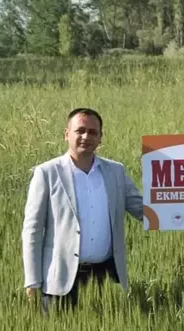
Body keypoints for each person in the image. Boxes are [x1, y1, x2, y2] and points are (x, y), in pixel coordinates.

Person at [21, 108, 143, 312]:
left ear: (100, 138)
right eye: (80, 130)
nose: (86, 136)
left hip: (105, 277)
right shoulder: (47, 173)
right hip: (60, 279)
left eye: (93, 132)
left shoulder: (116, 171)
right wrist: (32, 280)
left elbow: (140, 208)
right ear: (67, 134)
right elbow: (32, 230)